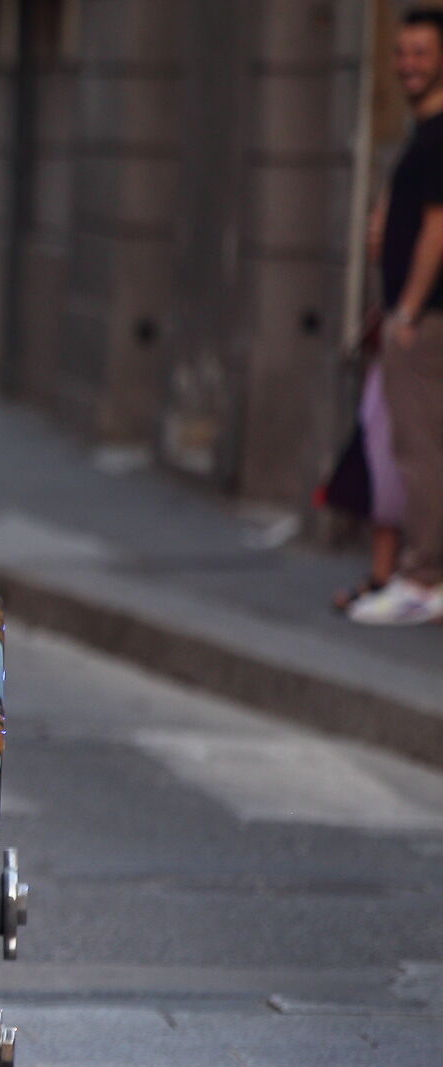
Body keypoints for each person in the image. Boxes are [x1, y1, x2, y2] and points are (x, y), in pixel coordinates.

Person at [353, 7, 443, 626]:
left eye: (421, 52)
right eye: (402, 52)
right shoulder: (422, 135)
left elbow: (439, 227)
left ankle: (424, 577)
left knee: (419, 452)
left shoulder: (439, 136)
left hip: (425, 319)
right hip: (412, 315)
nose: (408, 64)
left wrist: (407, 310)